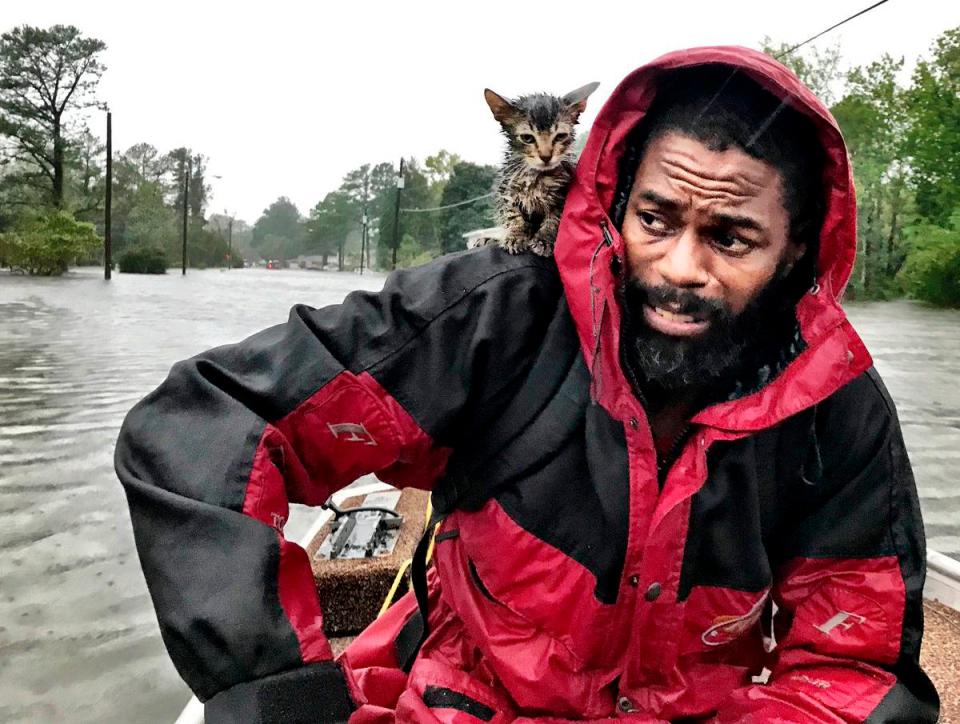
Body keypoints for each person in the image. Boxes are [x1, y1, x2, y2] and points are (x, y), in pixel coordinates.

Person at [116, 46, 940, 723]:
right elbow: (212, 424)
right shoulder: (496, 316)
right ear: (618, 204)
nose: (680, 269)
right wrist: (274, 696)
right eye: (655, 220)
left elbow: (854, 669)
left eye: (731, 238)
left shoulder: (836, 407)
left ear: (795, 252)